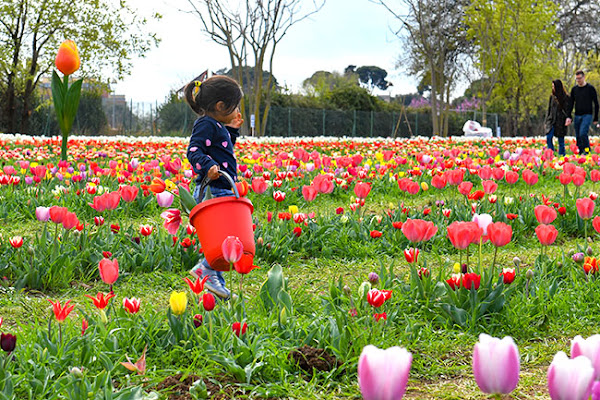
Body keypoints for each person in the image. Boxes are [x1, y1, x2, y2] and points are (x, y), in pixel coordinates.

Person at [184, 75, 243, 299]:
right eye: (234, 105)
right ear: (221, 106)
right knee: (224, 238)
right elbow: (193, 151)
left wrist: (233, 132)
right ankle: (206, 269)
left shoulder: (216, 125)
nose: (237, 109)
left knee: (226, 237)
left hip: (222, 186)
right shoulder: (205, 124)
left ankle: (215, 282)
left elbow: (221, 149)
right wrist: (208, 165)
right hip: (213, 189)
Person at [566, 70, 599, 155]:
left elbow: (596, 103)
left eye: (580, 78)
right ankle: (581, 152)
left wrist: (596, 118)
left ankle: (587, 151)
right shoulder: (574, 89)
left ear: (584, 77)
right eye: (577, 79)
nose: (578, 80)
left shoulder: (590, 88)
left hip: (587, 115)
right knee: (578, 136)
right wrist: (568, 116)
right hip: (577, 115)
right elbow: (571, 103)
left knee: (583, 133)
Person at [544, 79, 570, 156]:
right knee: (549, 137)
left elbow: (568, 110)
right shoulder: (552, 97)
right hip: (551, 120)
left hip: (561, 121)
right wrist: (546, 121)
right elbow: (549, 109)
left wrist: (568, 119)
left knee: (561, 140)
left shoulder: (566, 97)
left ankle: (561, 155)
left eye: (554, 86)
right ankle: (550, 153)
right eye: (552, 86)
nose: (553, 88)